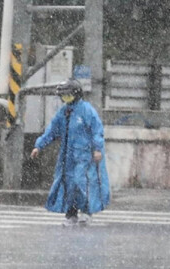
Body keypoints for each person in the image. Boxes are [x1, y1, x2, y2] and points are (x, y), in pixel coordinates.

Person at [30, 79, 110, 226]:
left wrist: (97, 149)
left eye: (67, 95)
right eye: (63, 96)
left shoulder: (86, 110)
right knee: (68, 185)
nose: (64, 99)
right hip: (67, 157)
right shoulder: (64, 112)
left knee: (82, 183)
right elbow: (52, 130)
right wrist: (39, 145)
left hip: (85, 156)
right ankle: (71, 213)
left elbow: (97, 131)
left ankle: (86, 211)